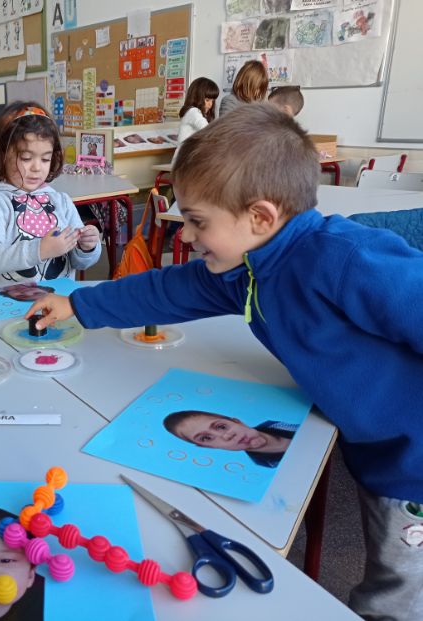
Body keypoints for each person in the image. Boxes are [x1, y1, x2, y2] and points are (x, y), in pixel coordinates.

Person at [25, 103, 423, 621]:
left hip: (412, 462)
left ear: (260, 216)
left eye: (197, 222)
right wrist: (79, 304)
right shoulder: (251, 266)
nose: (185, 236)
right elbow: (172, 289)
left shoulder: (342, 258)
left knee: (396, 594)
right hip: (369, 446)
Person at [0, 101, 101, 283]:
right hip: (11, 298)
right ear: (2, 155)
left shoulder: (61, 201)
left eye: (45, 159)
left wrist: (87, 247)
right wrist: (40, 250)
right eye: (26, 158)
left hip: (59, 297)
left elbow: (79, 262)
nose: (37, 168)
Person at [163, 410, 298, 468]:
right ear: (209, 447)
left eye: (221, 427)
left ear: (237, 422)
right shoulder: (266, 465)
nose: (226, 436)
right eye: (206, 438)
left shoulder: (279, 422)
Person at [171, 77, 219, 165]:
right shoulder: (193, 112)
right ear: (196, 97)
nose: (210, 104)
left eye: (212, 101)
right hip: (184, 162)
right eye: (207, 100)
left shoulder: (198, 114)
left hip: (190, 159)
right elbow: (208, 130)